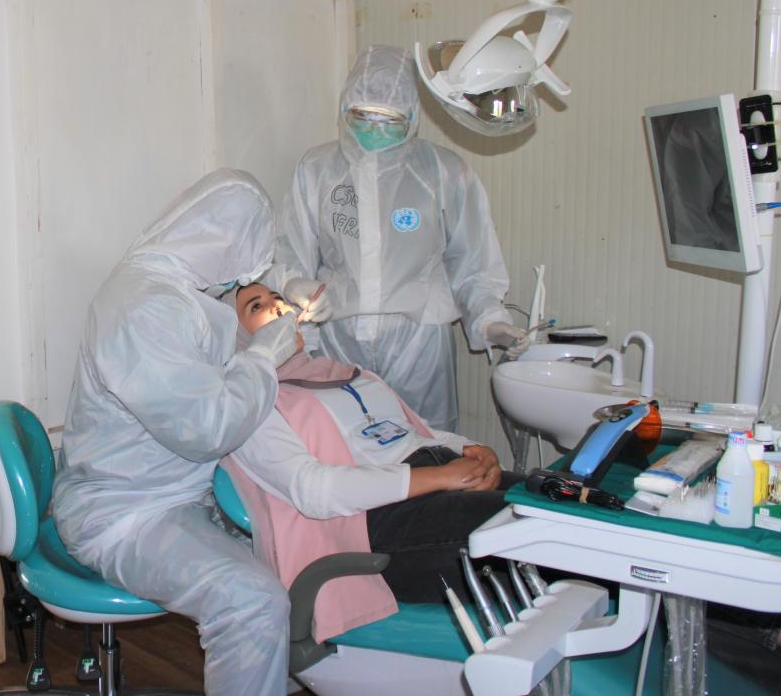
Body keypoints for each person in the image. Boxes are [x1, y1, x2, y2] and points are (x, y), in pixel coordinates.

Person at [50, 169, 303, 696]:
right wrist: (263, 356)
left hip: (169, 493)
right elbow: (206, 427)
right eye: (246, 261)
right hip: (126, 514)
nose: (246, 277)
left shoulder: (172, 290)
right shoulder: (143, 306)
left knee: (297, 548)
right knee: (252, 601)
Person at [222, 283, 520, 640]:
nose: (278, 308)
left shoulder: (349, 374)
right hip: (383, 519)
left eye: (278, 299)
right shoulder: (253, 408)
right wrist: (440, 477)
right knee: (532, 524)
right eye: (256, 307)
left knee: (553, 496)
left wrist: (472, 448)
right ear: (235, 336)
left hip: (436, 477)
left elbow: (419, 433)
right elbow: (313, 490)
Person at [267, 45, 528, 433]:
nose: (374, 129)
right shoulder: (318, 170)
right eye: (362, 117)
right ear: (344, 110)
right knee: (345, 440)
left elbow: (472, 261)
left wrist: (490, 319)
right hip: (339, 336)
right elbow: (292, 247)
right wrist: (292, 284)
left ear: (412, 117)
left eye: (389, 120)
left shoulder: (443, 172)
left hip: (418, 343)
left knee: (428, 443)